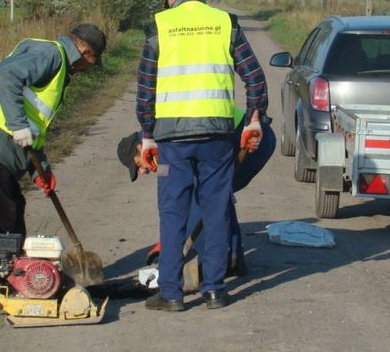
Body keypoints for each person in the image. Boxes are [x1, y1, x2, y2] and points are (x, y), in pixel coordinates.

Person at [135, 0, 268, 311]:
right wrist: (254, 118)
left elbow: (145, 90)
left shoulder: (159, 27)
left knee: (173, 212)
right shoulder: (225, 23)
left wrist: (147, 135)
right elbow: (255, 78)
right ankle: (214, 290)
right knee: (216, 209)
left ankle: (171, 294)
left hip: (172, 140)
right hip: (218, 137)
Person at [0, 24, 106, 283]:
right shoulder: (52, 55)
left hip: (1, 143)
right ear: (84, 50)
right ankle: (0, 284)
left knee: (12, 209)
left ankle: (13, 276)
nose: (88, 69)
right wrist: (18, 126)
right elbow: (6, 75)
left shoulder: (56, 63)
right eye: (92, 62)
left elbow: (35, 122)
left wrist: (41, 169)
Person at [117, 108, 276, 276]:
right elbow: (169, 183)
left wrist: (172, 245)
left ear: (139, 147)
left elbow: (176, 196)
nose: (142, 171)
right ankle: (233, 259)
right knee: (217, 196)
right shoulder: (156, 142)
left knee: (205, 196)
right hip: (257, 134)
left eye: (137, 165)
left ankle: (215, 262)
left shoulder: (158, 140)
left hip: (251, 138)